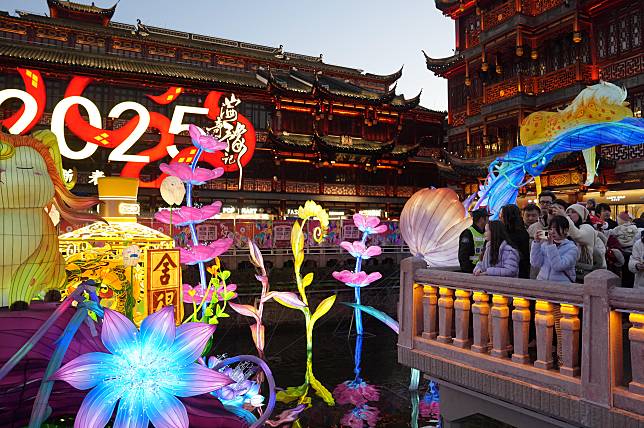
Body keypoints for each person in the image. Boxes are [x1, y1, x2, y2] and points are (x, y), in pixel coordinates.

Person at [530, 215, 579, 282]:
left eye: (556, 228)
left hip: (562, 286)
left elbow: (558, 266)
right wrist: (536, 243)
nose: (552, 232)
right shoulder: (545, 244)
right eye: (551, 229)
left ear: (566, 230)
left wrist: (550, 245)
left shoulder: (572, 248)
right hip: (542, 283)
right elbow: (535, 263)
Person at [500, 204, 530, 279]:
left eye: (502, 216)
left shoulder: (504, 234)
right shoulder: (523, 232)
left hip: (507, 271)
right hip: (521, 271)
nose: (500, 218)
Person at [459, 208, 489, 273]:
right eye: (487, 217)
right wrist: (469, 271)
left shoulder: (487, 232)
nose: (488, 220)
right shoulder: (467, 233)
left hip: (482, 270)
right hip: (472, 271)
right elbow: (463, 255)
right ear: (481, 219)